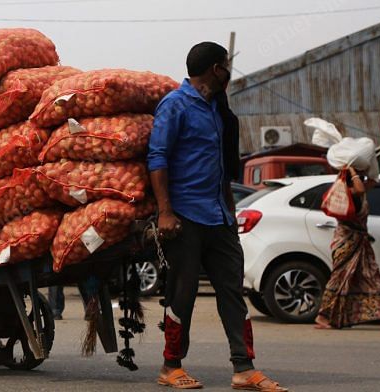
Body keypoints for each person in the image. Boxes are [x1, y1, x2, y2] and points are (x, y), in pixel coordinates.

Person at [147, 42, 286, 391]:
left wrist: (231, 213)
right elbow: (158, 158)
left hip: (220, 217)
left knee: (231, 292)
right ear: (214, 69)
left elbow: (223, 168)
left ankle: (244, 368)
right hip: (184, 216)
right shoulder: (175, 105)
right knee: (184, 292)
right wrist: (165, 212)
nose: (229, 73)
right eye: (226, 66)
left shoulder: (217, 109)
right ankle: (170, 366)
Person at [315, 166, 380, 331]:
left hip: (360, 244)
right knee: (339, 279)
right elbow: (360, 188)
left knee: (371, 280)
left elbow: (373, 181)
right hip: (347, 244)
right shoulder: (348, 194)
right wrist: (352, 172)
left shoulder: (357, 193)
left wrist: (363, 170)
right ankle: (324, 316)